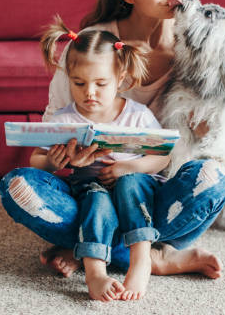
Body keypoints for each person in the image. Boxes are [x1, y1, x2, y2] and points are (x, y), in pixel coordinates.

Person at [0, 0, 225, 294]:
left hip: (156, 194)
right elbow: (48, 141)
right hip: (91, 191)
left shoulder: (208, 43)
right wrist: (64, 157)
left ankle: (93, 249)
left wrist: (208, 134)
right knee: (19, 187)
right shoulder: (91, 51)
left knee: (214, 178)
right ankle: (154, 256)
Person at [30, 15, 169, 301]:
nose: (89, 93)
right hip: (89, 187)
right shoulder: (64, 118)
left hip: (134, 190)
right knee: (95, 199)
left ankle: (141, 259)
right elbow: (36, 159)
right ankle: (95, 273)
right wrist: (54, 163)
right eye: (79, 83)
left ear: (120, 79)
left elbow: (161, 158)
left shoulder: (136, 115)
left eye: (100, 84)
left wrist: (127, 166)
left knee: (132, 183)